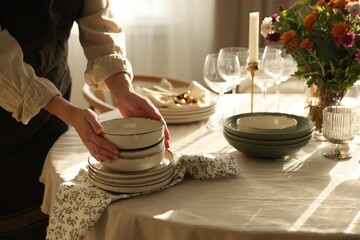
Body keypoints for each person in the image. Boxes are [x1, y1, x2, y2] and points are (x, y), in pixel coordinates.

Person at [0, 0, 170, 239]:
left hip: (51, 114)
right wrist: (68, 111)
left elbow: (98, 23)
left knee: (48, 216)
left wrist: (123, 92)